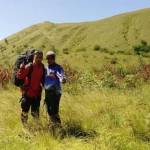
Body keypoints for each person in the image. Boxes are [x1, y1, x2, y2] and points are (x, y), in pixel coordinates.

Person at [17, 50, 45, 125]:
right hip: (27, 93)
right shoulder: (30, 66)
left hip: (37, 94)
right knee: (25, 111)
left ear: (42, 58)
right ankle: (24, 127)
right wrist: (22, 68)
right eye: (37, 57)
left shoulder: (42, 67)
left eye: (40, 57)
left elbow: (43, 79)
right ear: (34, 57)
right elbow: (20, 76)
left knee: (35, 113)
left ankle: (37, 127)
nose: (39, 59)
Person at [44, 51, 66, 127]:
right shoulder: (46, 68)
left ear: (53, 58)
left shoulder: (58, 67)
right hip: (47, 92)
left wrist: (63, 79)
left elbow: (61, 75)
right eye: (47, 58)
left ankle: (59, 127)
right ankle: (52, 126)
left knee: (54, 110)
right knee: (49, 110)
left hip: (55, 92)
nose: (48, 60)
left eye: (50, 58)